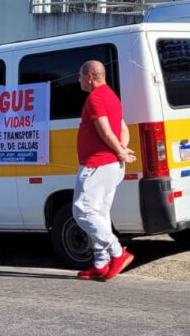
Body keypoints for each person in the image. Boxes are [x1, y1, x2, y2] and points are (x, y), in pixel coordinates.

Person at [73, 60, 137, 281]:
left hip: (98, 164)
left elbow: (107, 132)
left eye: (80, 76)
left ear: (90, 76)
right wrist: (122, 149)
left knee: (82, 210)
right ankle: (100, 263)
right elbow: (123, 130)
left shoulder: (96, 97)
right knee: (100, 214)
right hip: (111, 166)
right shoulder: (112, 96)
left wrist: (119, 150)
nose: (78, 79)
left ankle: (118, 252)